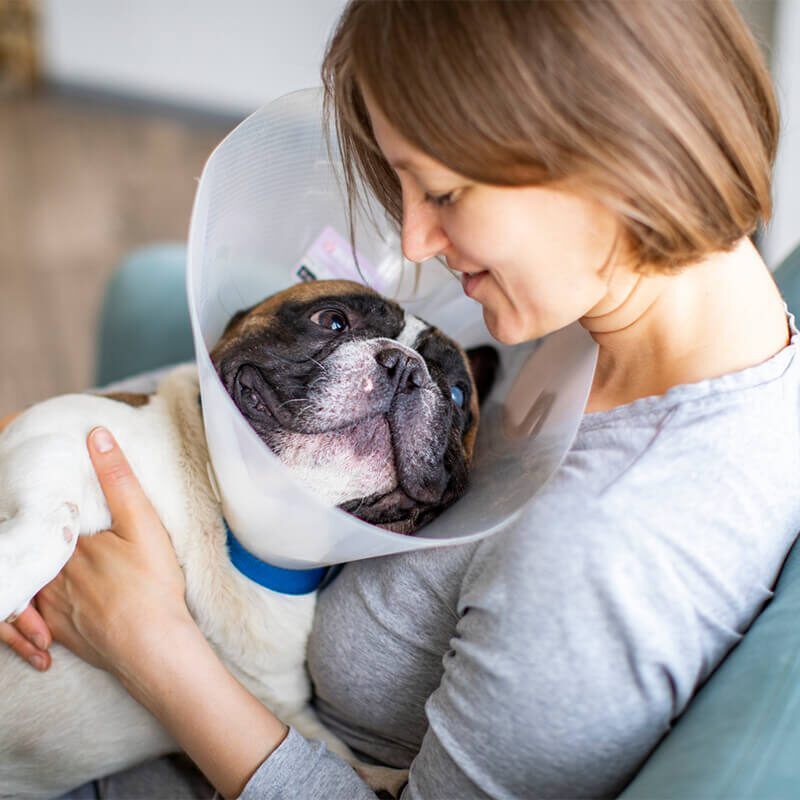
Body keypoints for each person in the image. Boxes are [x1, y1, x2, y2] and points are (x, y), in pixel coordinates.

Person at [2, 1, 799, 797]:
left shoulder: (607, 552)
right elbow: (267, 376)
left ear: (617, 155)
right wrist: (38, 460)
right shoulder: (589, 297)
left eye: (445, 193)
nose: (416, 243)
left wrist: (150, 648)